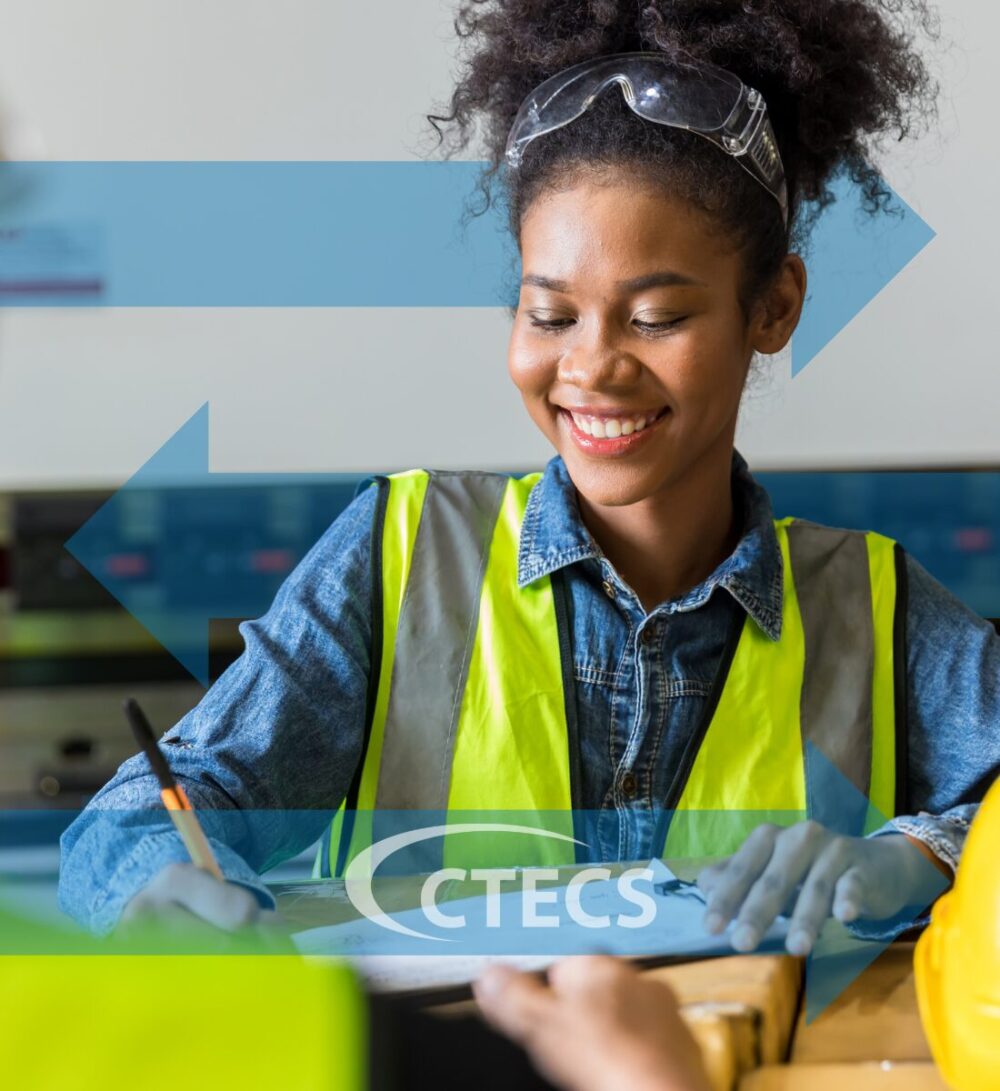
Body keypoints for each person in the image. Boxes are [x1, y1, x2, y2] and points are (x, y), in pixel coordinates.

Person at [60, 0, 998, 963]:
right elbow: (145, 811)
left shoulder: (879, 612)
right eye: (550, 316)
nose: (592, 367)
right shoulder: (398, 559)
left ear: (774, 307)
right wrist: (153, 882)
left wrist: (923, 853)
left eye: (658, 317)